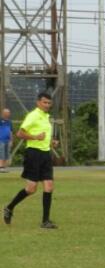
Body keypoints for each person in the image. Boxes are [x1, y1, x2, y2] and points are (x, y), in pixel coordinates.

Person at [3, 93, 58, 228]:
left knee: (49, 186)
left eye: (49, 103)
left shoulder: (46, 117)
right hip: (33, 154)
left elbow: (43, 136)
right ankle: (9, 207)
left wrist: (51, 142)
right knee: (31, 189)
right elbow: (20, 133)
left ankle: (45, 221)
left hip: (45, 154)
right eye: (44, 102)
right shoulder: (33, 115)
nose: (47, 105)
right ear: (38, 102)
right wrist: (35, 137)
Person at [0, 108, 12, 173]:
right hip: (1, 140)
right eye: (7, 113)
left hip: (7, 140)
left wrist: (11, 140)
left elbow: (10, 131)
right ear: (3, 113)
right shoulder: (0, 120)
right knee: (1, 153)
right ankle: (1, 167)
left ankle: (4, 167)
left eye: (9, 113)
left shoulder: (9, 122)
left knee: (6, 154)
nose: (8, 114)